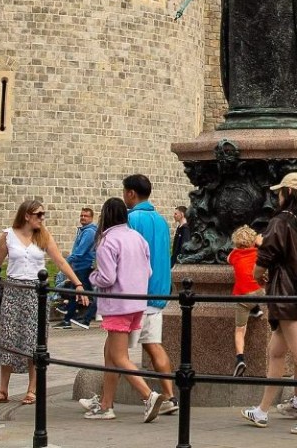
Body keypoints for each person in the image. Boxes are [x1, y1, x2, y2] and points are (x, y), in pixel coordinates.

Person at [240, 172, 297, 435]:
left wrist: (259, 275)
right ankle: (262, 410)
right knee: (276, 352)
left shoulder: (281, 221)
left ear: (288, 194)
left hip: (287, 294)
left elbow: (266, 254)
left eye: (280, 192)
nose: (277, 196)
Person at [0, 198, 84, 405]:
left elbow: (60, 261)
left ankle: (32, 388)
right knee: (8, 338)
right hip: (13, 290)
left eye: (43, 214)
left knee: (34, 339)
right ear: (27, 216)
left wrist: (78, 284)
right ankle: (2, 389)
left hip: (35, 292)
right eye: (39, 214)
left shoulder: (44, 237)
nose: (42, 218)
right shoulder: (8, 236)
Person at [81, 198, 158, 421]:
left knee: (118, 355)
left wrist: (92, 275)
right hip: (137, 302)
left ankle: (148, 395)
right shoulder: (138, 238)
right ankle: (106, 404)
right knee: (110, 355)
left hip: (117, 304)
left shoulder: (107, 240)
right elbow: (149, 271)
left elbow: (107, 277)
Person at [121, 174, 177, 414]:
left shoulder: (130, 219)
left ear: (131, 193)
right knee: (154, 345)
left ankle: (113, 401)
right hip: (159, 292)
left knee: (116, 350)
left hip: (136, 293)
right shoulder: (162, 221)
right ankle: (171, 396)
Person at [228, 225, 264, 378]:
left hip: (243, 297)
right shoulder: (258, 253)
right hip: (259, 293)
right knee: (259, 292)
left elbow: (227, 258)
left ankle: (240, 359)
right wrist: (258, 244)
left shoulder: (235, 255)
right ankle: (256, 309)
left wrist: (237, 248)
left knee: (240, 330)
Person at [67, 207, 99, 327]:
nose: (83, 218)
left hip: (84, 266)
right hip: (79, 266)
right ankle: (68, 317)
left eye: (85, 216)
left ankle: (84, 318)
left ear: (91, 218)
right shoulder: (83, 230)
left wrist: (67, 262)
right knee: (73, 291)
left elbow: (80, 251)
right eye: (81, 216)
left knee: (91, 294)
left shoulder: (89, 232)